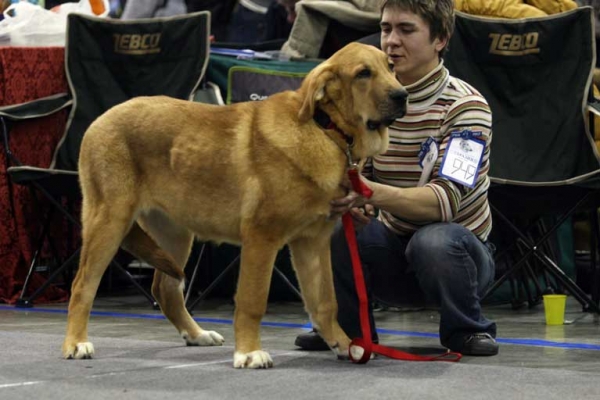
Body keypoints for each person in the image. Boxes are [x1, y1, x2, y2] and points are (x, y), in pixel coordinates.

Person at [295, 0, 498, 356]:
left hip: (457, 259)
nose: (390, 41)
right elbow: (357, 175)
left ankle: (467, 329)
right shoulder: (365, 101)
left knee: (433, 240)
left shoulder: (468, 107)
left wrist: (367, 193)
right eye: (386, 29)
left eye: (406, 30)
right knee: (330, 220)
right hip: (390, 249)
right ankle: (344, 328)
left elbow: (444, 203)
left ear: (440, 39)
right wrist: (350, 203)